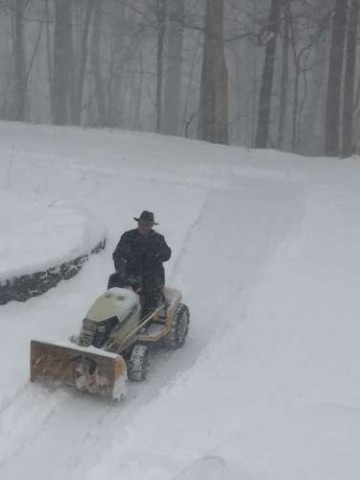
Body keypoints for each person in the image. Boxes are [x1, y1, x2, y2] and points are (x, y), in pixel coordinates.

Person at [108, 211, 171, 316]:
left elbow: (167, 255)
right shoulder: (128, 236)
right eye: (141, 223)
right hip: (131, 272)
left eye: (147, 224)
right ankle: (111, 309)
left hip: (152, 273)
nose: (143, 226)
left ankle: (147, 315)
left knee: (150, 288)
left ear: (151, 225)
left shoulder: (158, 239)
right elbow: (118, 256)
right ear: (138, 223)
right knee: (114, 279)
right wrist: (123, 273)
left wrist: (155, 256)